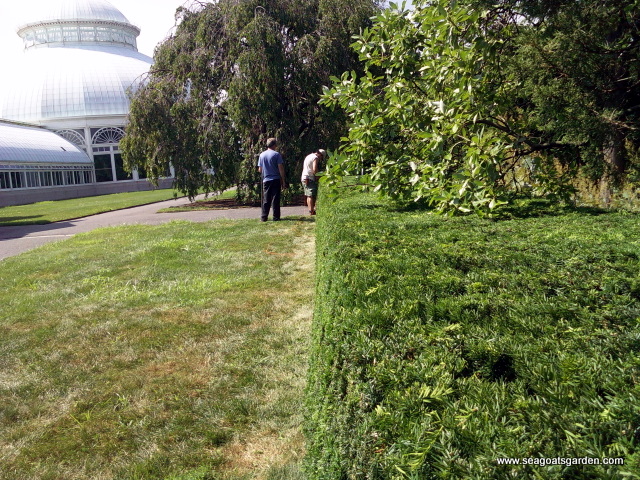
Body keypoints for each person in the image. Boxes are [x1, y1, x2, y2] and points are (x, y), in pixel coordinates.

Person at [257, 138, 286, 221]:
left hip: (266, 179)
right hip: (275, 179)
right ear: (274, 145)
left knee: (266, 199)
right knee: (275, 198)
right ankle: (276, 217)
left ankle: (264, 217)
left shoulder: (262, 155)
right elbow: (280, 168)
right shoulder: (276, 154)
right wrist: (283, 180)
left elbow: (260, 169)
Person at [301, 149, 325, 215]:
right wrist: (318, 176)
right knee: (311, 195)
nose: (320, 159)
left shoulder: (308, 156)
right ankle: (312, 211)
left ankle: (310, 210)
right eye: (321, 158)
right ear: (320, 155)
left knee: (308, 195)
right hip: (309, 178)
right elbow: (314, 169)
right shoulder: (315, 158)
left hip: (304, 177)